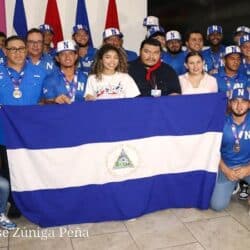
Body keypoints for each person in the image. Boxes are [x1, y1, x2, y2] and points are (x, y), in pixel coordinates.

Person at [0, 35, 46, 218]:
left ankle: (34, 202)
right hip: (4, 132)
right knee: (9, 169)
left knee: (33, 168)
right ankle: (15, 203)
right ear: (5, 51)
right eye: (13, 49)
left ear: (26, 50)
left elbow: (48, 97)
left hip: (33, 132)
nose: (17, 52)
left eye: (21, 48)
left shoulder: (41, 72)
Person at [210, 87, 250, 211]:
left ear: (249, 104)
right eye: (235, 101)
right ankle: (234, 185)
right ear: (229, 103)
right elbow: (212, 151)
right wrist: (225, 170)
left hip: (248, 165)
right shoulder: (220, 122)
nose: (239, 105)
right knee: (217, 205)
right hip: (227, 166)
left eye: (243, 101)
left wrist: (248, 169)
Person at [42, 40, 87, 104]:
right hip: (59, 113)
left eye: (70, 53)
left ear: (76, 56)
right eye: (63, 54)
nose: (67, 57)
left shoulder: (85, 78)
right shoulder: (50, 79)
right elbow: (43, 103)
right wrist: (54, 100)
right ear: (57, 58)